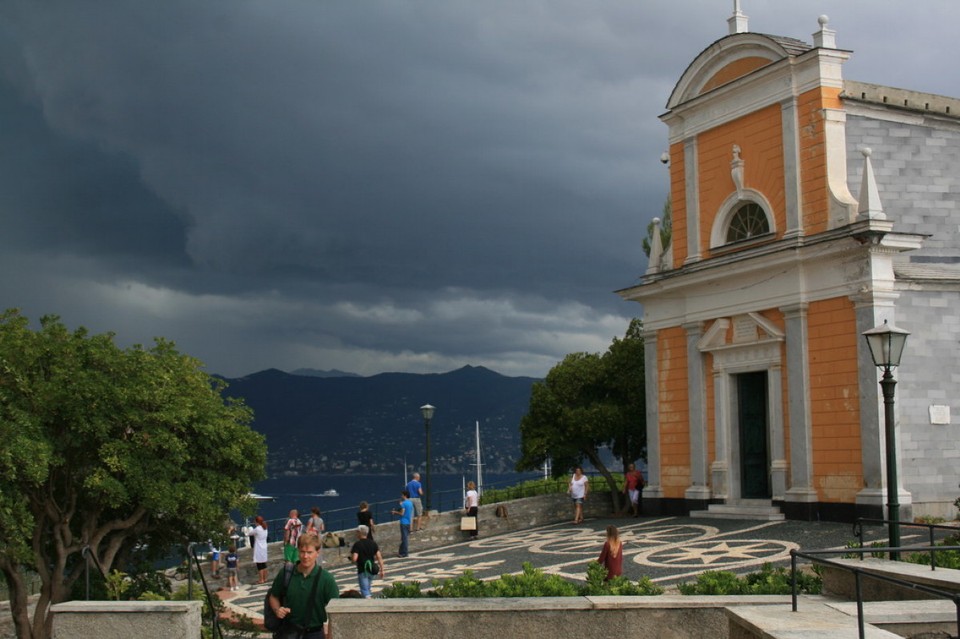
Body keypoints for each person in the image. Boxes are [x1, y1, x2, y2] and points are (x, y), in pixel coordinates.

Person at [267, 532, 339, 639]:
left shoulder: (327, 579)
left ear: (317, 552)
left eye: (309, 552)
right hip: (289, 632)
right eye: (302, 552)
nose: (305, 556)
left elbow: (335, 613)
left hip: (315, 633)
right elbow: (273, 596)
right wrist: (277, 610)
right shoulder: (286, 573)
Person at [350, 524, 384, 598]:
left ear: (359, 532)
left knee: (365, 591)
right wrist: (382, 570)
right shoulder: (373, 543)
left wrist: (352, 559)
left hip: (363, 570)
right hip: (372, 570)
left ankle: (369, 605)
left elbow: (354, 558)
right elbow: (379, 557)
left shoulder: (357, 544)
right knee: (368, 588)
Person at [391, 490, 414, 557]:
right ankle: (401, 552)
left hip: (403, 522)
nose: (401, 496)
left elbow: (402, 513)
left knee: (404, 538)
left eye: (402, 495)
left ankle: (404, 553)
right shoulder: (410, 503)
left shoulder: (403, 504)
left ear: (405, 495)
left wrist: (395, 512)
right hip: (408, 522)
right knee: (404, 538)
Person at [253, 515, 270, 584]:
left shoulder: (257, 529)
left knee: (259, 565)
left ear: (257, 522)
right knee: (264, 564)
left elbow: (250, 533)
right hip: (264, 547)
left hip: (258, 548)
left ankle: (261, 579)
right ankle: (265, 578)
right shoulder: (265, 528)